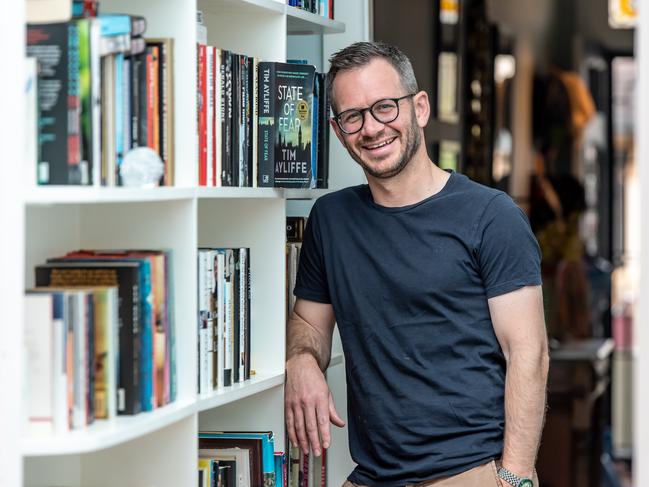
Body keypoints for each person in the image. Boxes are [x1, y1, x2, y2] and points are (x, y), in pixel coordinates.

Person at [285, 41, 549, 487]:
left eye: (385, 107)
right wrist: (300, 361)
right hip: (374, 475)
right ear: (337, 130)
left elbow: (529, 353)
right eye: (354, 116)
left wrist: (515, 476)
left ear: (420, 108)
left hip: (473, 471)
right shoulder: (330, 219)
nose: (371, 128)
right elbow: (308, 325)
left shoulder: (492, 216)